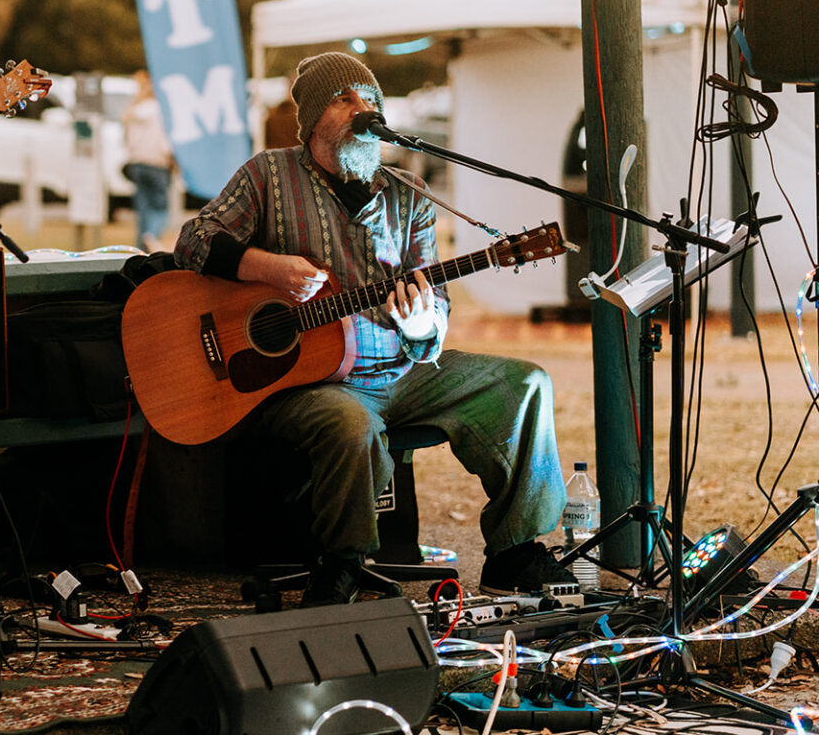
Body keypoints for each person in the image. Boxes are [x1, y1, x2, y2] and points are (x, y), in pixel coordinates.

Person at [173, 52, 569, 605]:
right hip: (312, 384)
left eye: (372, 100)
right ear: (313, 117)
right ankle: (342, 562)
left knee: (524, 385)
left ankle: (514, 551)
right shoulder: (269, 175)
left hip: (403, 371)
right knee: (349, 425)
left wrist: (422, 322)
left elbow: (438, 304)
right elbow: (191, 243)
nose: (366, 109)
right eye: (347, 98)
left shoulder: (408, 193)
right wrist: (266, 268)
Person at [121, 70, 175, 251]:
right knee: (160, 206)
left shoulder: (134, 111)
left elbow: (126, 138)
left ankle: (140, 247)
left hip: (137, 162)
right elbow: (165, 143)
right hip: (157, 162)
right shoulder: (161, 112)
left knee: (143, 206)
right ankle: (151, 236)